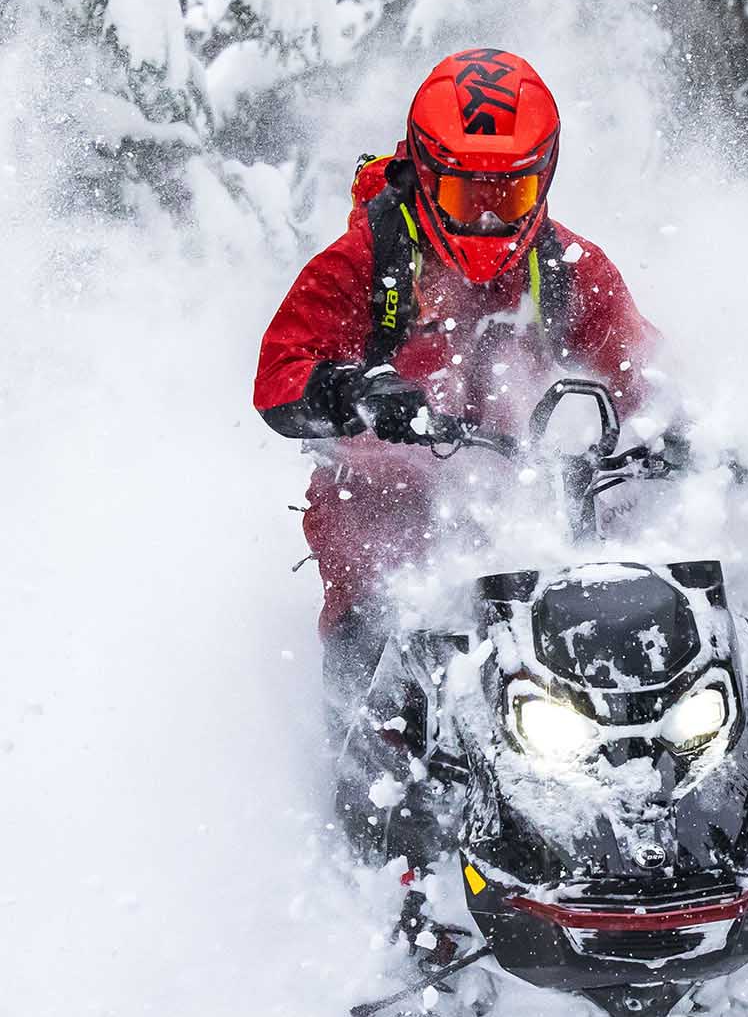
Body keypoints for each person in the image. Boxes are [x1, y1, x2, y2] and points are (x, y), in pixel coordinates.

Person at [252, 48, 658, 705]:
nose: (490, 220)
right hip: (381, 520)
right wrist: (354, 395)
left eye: (511, 196)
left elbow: (643, 374)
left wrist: (694, 435)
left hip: (535, 513)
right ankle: (356, 786)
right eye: (467, 197)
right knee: (373, 676)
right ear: (425, 175)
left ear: (543, 182)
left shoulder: (571, 270)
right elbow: (278, 379)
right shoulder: (362, 262)